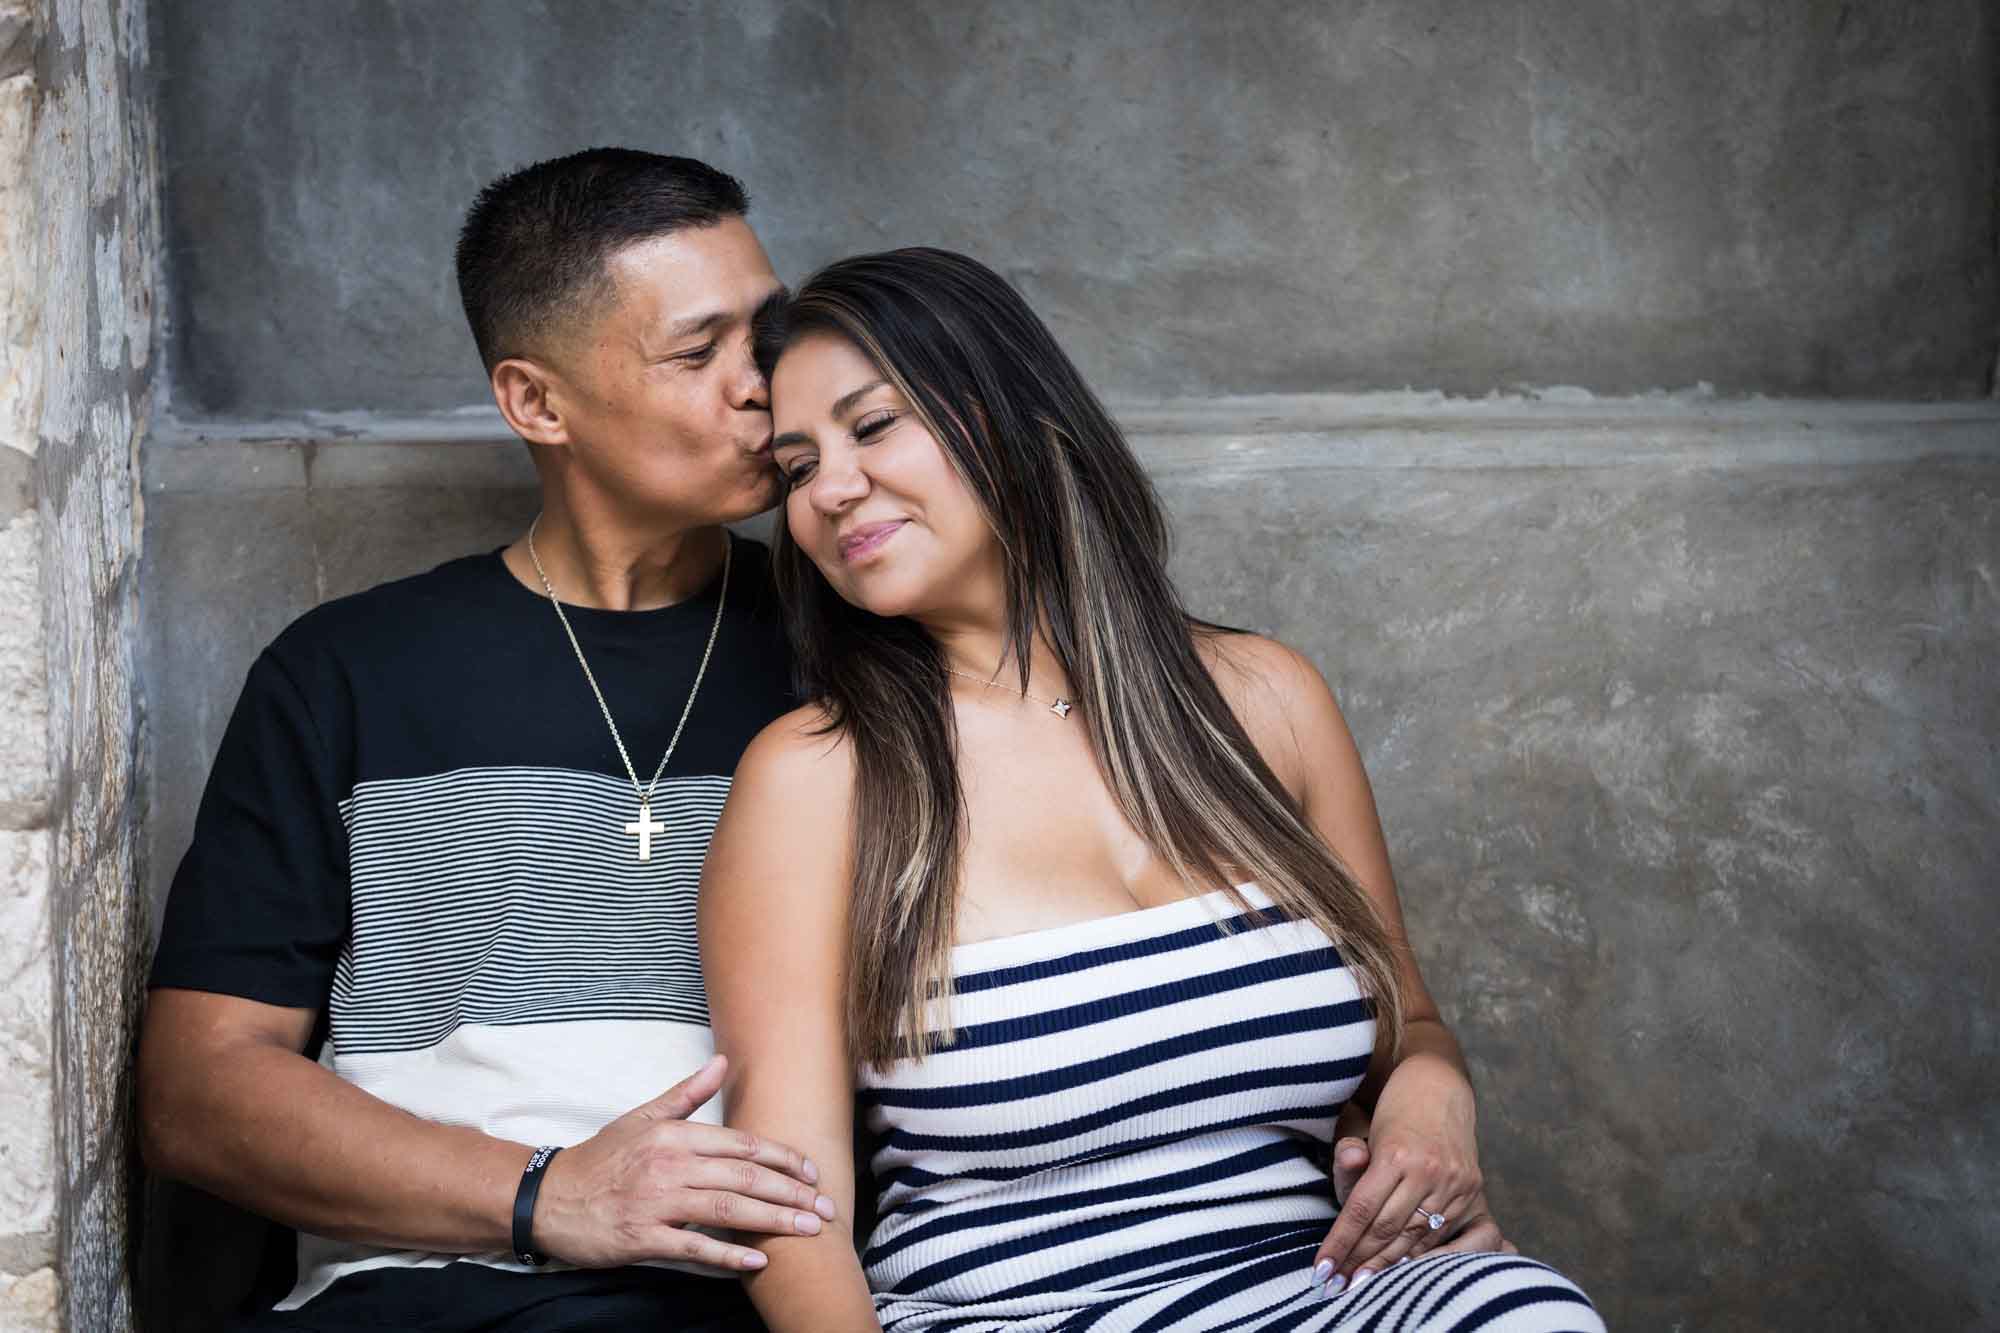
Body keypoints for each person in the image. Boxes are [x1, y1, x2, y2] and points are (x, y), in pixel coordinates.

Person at [699, 248, 1607, 1331]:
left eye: (873, 425)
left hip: (1321, 1294)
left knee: (1522, 1308)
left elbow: (1404, 1023)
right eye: (796, 468)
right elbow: (788, 1207)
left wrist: (1432, 1090)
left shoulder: (1266, 698)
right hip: (1016, 1316)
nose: (830, 490)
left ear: (1003, 413)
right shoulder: (815, 778)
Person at [137, 149, 836, 1331]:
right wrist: (543, 1194)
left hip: (773, 1290)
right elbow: (197, 1090)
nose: (757, 385)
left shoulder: (855, 653)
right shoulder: (346, 672)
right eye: (695, 351)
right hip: (428, 1295)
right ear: (537, 402)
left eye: (765, 334)